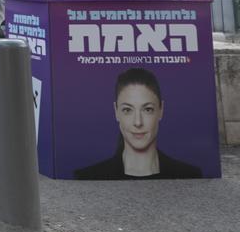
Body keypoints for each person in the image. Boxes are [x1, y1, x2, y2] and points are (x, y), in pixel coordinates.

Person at [74, 68, 203, 180]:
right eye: (127, 110)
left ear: (161, 110)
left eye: (147, 109)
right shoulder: (87, 176)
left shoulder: (190, 174)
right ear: (116, 112)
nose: (138, 122)